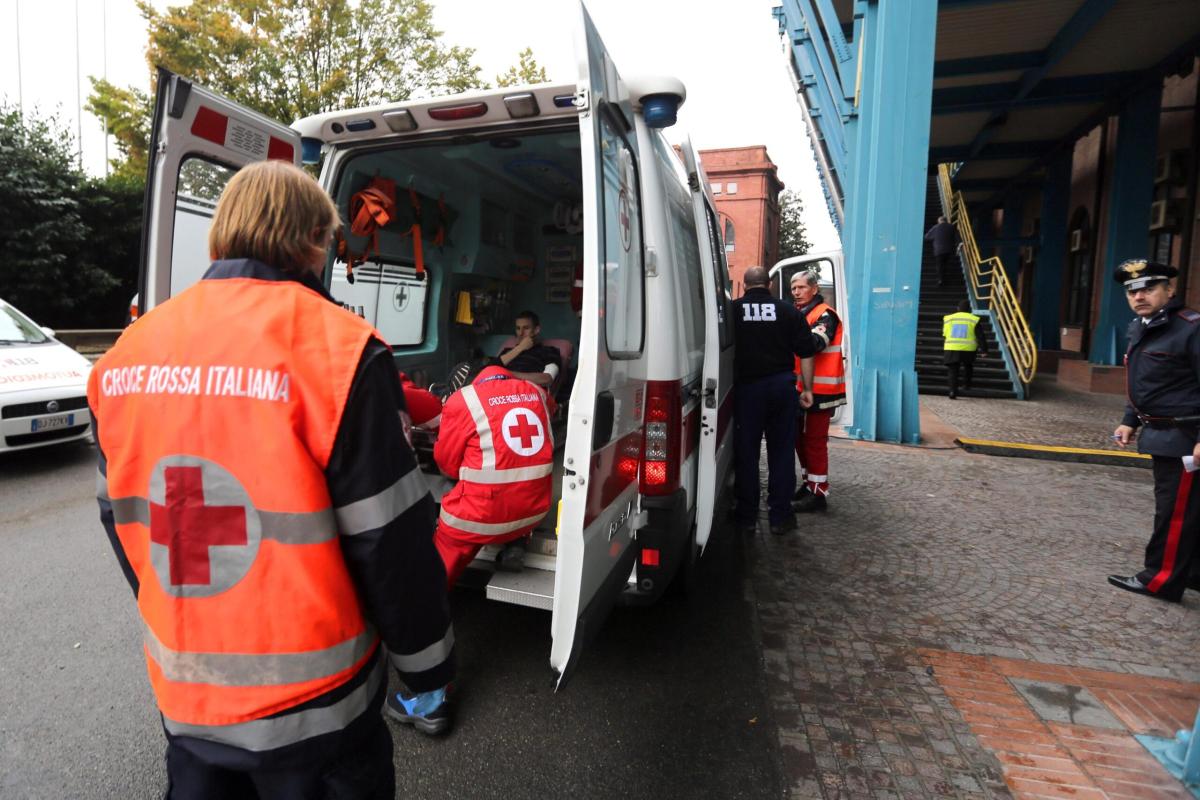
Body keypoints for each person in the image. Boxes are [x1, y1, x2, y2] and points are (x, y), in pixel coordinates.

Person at [87, 161, 455, 800]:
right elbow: (389, 539)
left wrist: (183, 621)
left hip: (186, 691)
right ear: (314, 241)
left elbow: (121, 522)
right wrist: (428, 665)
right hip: (317, 713)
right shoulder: (338, 350)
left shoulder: (126, 354)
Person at [1108, 259, 1200, 603]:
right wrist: (1130, 419)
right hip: (1161, 434)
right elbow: (1145, 381)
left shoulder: (1190, 328)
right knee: (1189, 509)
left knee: (1174, 513)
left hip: (1185, 438)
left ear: (1170, 290)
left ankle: (1159, 580)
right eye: (1132, 291)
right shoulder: (1141, 327)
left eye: (1148, 288)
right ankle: (1191, 573)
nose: (1139, 295)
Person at [433, 362, 555, 583]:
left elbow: (447, 467)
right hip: (533, 512)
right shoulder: (538, 393)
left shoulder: (463, 401)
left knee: (442, 559)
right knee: (513, 494)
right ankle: (516, 542)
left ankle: (428, 602)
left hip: (481, 517)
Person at [733, 266, 816, 536]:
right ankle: (780, 516)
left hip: (747, 390)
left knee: (747, 453)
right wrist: (808, 389)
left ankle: (746, 517)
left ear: (745, 285)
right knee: (781, 453)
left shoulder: (733, 311)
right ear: (769, 283)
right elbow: (806, 351)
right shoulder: (788, 311)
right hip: (781, 387)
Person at [789, 270, 846, 513]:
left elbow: (814, 345)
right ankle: (809, 483)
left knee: (814, 440)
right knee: (799, 439)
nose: (797, 292)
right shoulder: (801, 313)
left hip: (822, 390)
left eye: (801, 287)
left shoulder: (825, 315)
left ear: (814, 289)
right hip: (803, 388)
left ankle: (819, 493)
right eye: (794, 288)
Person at [497, 310, 562, 390]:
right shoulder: (507, 352)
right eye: (518, 328)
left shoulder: (549, 352)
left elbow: (547, 379)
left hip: (527, 393)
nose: (521, 333)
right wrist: (520, 348)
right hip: (500, 391)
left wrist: (508, 374)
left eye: (526, 328)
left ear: (536, 330)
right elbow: (487, 371)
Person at [942, 300, 989, 399]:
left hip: (952, 347)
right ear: (969, 310)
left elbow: (945, 333)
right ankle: (966, 385)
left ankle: (952, 391)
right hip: (968, 349)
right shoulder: (974, 319)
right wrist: (984, 350)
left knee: (953, 370)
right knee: (968, 366)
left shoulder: (948, 318)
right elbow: (980, 336)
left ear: (957, 308)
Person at [925, 215, 958, 286]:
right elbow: (956, 237)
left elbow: (927, 237)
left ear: (939, 221)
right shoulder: (952, 227)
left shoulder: (935, 227)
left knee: (940, 265)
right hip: (949, 250)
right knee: (945, 264)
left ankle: (941, 280)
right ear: (946, 220)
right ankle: (945, 277)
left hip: (939, 250)